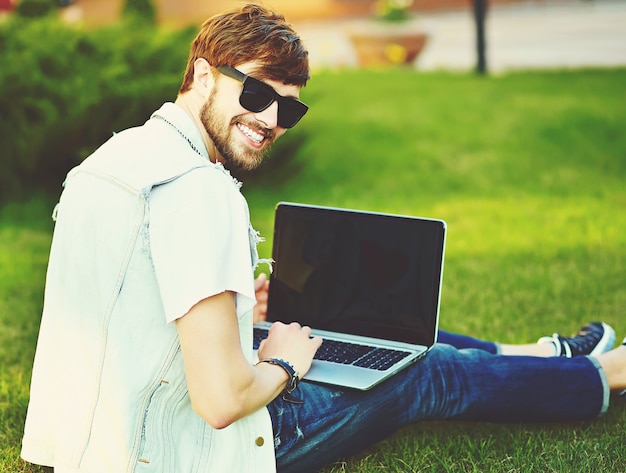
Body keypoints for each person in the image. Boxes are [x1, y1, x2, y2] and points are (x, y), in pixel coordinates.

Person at [21, 4, 626, 473]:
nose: (270, 121)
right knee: (423, 371)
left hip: (95, 442)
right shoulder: (198, 191)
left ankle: (541, 355)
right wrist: (284, 361)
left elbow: (129, 297)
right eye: (256, 94)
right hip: (185, 451)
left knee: (380, 330)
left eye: (290, 110)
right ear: (203, 75)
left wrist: (236, 310)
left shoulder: (115, 157)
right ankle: (609, 375)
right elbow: (222, 401)